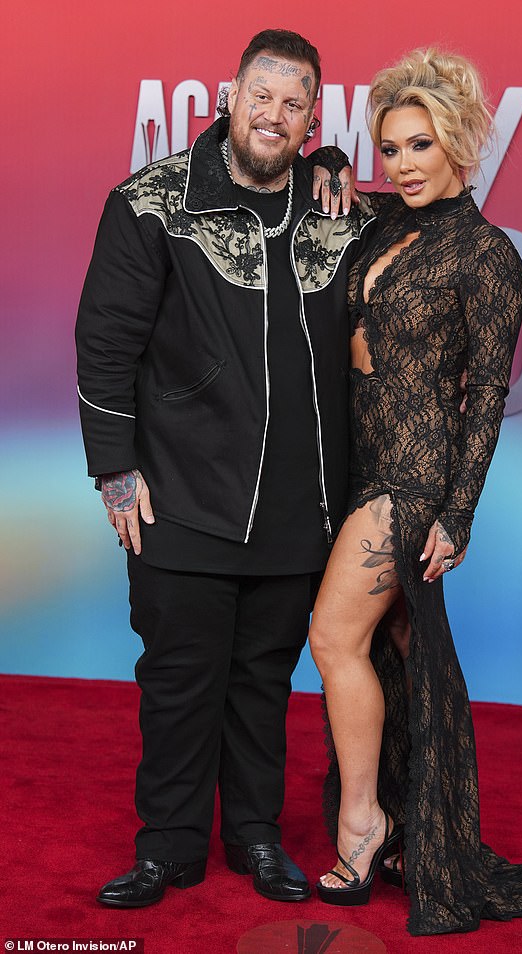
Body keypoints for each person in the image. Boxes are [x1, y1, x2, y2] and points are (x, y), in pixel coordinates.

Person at [75, 28, 368, 908]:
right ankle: (167, 848)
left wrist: (340, 163)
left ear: (313, 116)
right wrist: (115, 471)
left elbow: (424, 227)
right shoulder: (150, 203)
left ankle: (255, 837)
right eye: (261, 96)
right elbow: (105, 344)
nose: (273, 114)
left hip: (300, 508)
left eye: (294, 103)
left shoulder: (338, 210)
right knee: (178, 682)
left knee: (263, 684)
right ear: (230, 97)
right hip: (181, 497)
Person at [308, 48, 522, 934]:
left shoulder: (489, 256)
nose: (404, 164)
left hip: (412, 476)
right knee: (391, 651)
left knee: (333, 636)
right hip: (355, 464)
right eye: (389, 148)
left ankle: (365, 824)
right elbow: (330, 183)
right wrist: (330, 160)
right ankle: (407, 822)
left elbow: (486, 394)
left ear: (459, 144)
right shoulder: (384, 222)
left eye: (421, 145)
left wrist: (458, 514)